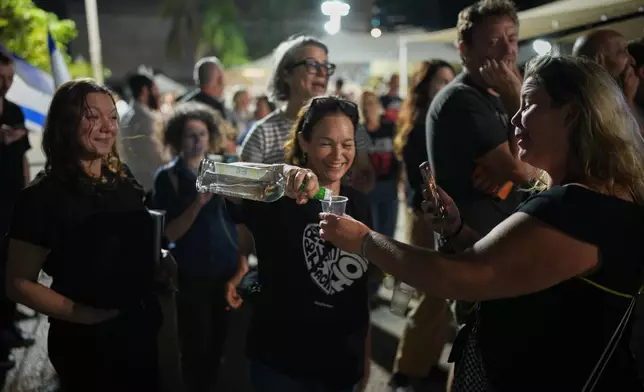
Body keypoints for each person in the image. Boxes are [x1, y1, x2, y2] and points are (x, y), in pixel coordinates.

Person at [320, 55, 644, 391]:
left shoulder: (575, 208)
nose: (515, 119)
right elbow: (516, 269)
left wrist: (364, 240)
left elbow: (462, 277)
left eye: (529, 104)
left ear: (572, 114)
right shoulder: (594, 198)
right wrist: (458, 231)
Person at [5, 79, 174, 392]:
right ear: (66, 123)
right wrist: (79, 314)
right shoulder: (41, 198)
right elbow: (18, 282)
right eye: (92, 116)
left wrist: (161, 260)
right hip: (87, 342)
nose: (107, 126)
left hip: (139, 328)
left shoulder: (122, 180)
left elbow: (140, 242)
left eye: (111, 117)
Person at [226, 96, 372, 392]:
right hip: (281, 363)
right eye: (326, 143)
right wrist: (280, 174)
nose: (338, 155)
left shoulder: (359, 205)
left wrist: (365, 359)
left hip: (341, 364)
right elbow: (219, 177)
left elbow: (359, 292)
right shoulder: (278, 197)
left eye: (347, 144)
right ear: (304, 142)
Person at [152, 102, 239, 392]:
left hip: (226, 270)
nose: (198, 140)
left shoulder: (221, 170)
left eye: (202, 134)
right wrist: (198, 203)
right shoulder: (168, 178)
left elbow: (236, 222)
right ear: (177, 139)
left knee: (220, 344)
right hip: (192, 275)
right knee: (194, 346)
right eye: (191, 134)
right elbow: (169, 234)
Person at [389, 59, 455, 391]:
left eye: (450, 80)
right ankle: (406, 369)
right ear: (425, 86)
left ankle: (424, 363)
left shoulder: (442, 118)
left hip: (438, 216)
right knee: (432, 293)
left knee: (441, 296)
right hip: (426, 217)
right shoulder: (421, 123)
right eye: (440, 81)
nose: (447, 86)